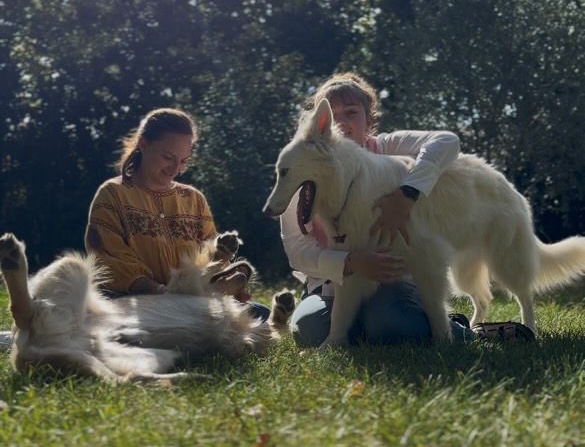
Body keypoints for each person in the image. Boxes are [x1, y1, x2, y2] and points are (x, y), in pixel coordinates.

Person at [281, 73, 534, 345]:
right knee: (309, 331)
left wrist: (406, 195)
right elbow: (298, 252)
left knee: (389, 325)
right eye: (333, 114)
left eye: (352, 112)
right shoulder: (303, 168)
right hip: (328, 286)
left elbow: (446, 141)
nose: (341, 122)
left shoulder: (386, 147)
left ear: (369, 121)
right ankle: (377, 325)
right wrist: (352, 263)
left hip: (396, 279)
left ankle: (466, 333)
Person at [85, 107, 268, 317]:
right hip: (136, 302)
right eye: (168, 157)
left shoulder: (194, 199)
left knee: (260, 312)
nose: (175, 169)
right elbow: (110, 260)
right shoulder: (112, 195)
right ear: (144, 144)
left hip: (192, 301)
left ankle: (193, 321)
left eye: (183, 161)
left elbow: (208, 261)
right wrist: (160, 292)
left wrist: (221, 266)